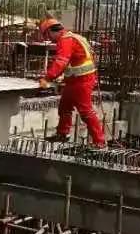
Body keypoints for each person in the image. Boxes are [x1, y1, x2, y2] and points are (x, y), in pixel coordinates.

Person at [38, 17, 105, 148]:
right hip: (75, 80)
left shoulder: (66, 40)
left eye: (47, 35)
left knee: (85, 111)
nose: (49, 39)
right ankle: (63, 133)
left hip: (82, 81)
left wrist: (47, 78)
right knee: (64, 107)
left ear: (50, 31)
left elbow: (61, 62)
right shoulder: (74, 37)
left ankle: (99, 142)